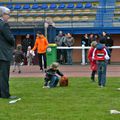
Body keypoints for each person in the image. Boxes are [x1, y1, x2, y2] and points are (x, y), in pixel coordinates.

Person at [0, 6, 17, 99]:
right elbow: (10, 38)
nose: (9, 16)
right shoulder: (4, 24)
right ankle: (5, 94)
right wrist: (13, 41)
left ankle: (1, 93)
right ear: (3, 14)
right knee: (4, 75)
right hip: (3, 53)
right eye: (8, 14)